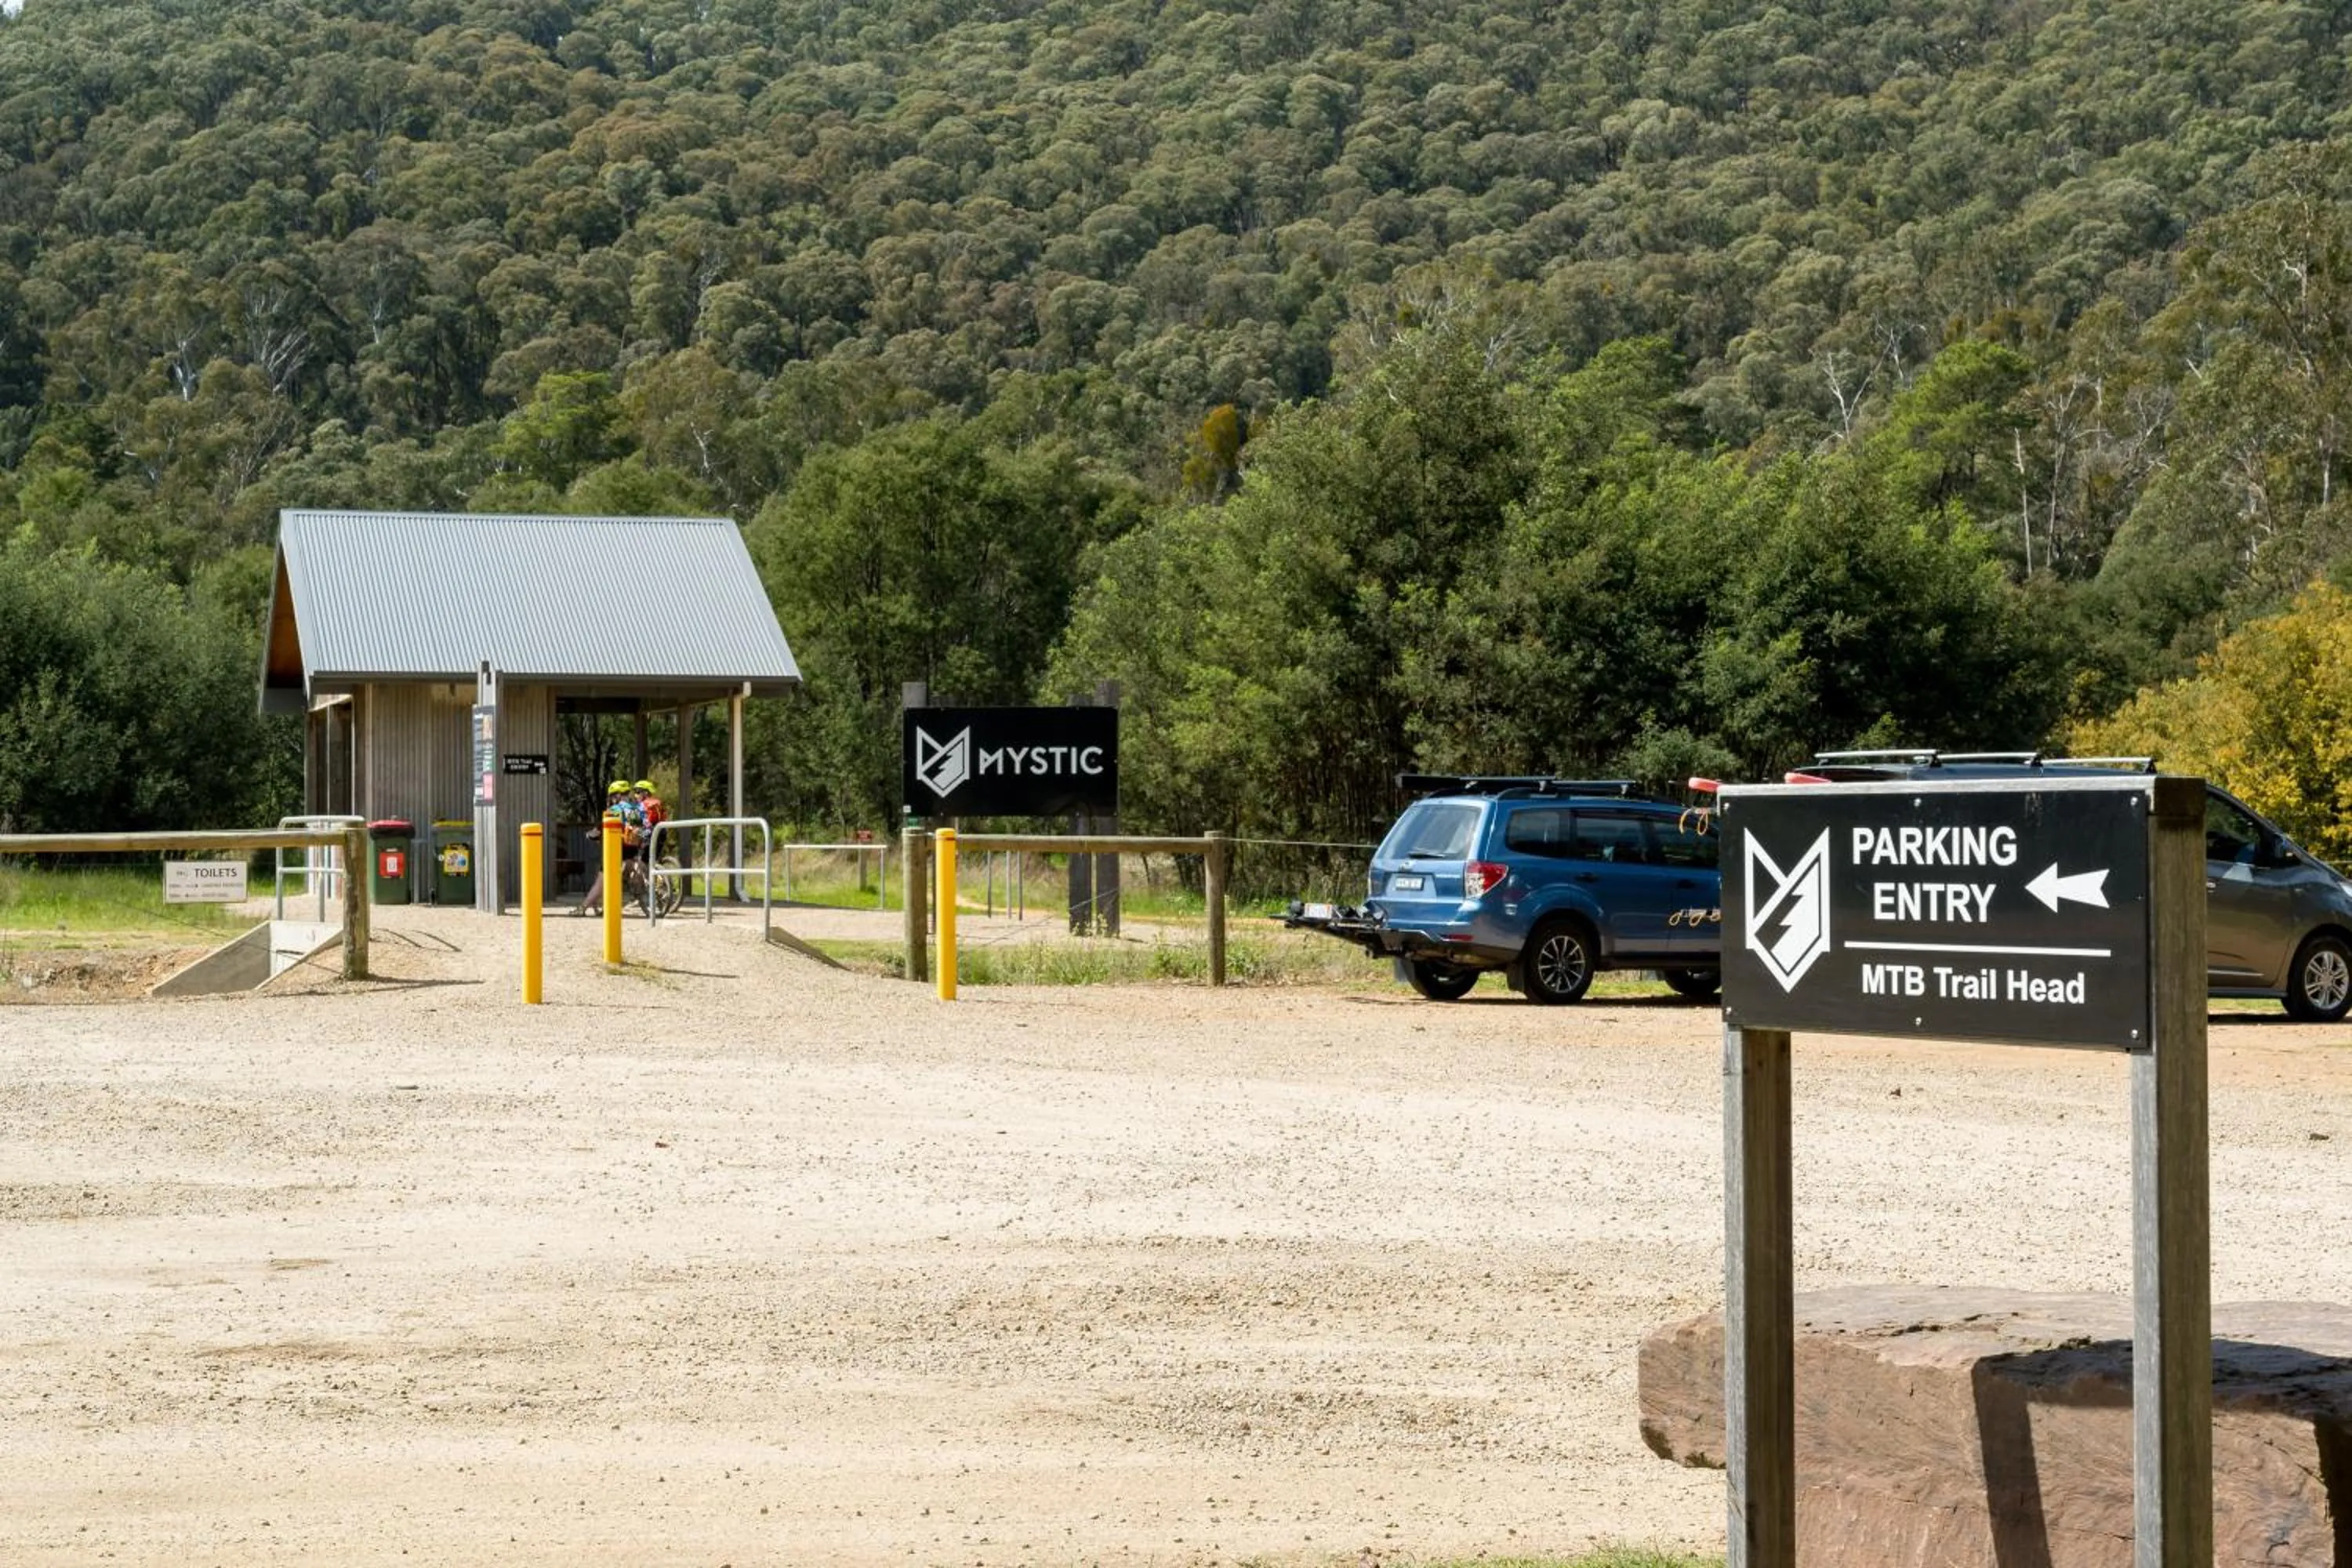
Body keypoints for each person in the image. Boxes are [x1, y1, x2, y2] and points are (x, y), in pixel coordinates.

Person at [575, 779, 644, 916]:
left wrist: (590, 835)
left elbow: (599, 830)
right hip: (632, 846)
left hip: (617, 847)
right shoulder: (635, 808)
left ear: (618, 796)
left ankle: (583, 908)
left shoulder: (614, 810)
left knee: (603, 878)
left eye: (613, 796)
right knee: (627, 869)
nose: (612, 799)